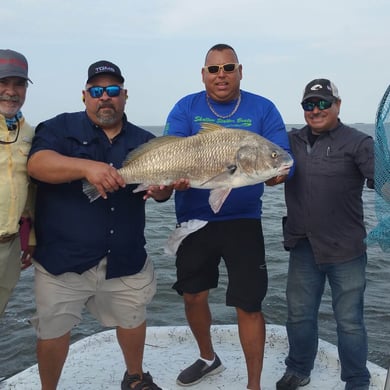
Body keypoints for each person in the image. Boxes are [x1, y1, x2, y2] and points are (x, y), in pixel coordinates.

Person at [27, 60, 172, 390]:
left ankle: (135, 378)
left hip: (125, 257)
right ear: (84, 96)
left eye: (112, 91)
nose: (104, 97)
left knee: (133, 318)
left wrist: (162, 189)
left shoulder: (146, 141)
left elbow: (160, 192)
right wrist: (87, 168)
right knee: (52, 330)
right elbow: (38, 165)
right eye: (97, 91)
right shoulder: (57, 128)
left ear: (124, 95)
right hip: (63, 260)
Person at [164, 43, 293, 390]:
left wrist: (280, 173)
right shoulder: (185, 108)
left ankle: (253, 385)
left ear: (239, 70)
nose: (221, 75)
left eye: (228, 67)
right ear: (204, 74)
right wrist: (167, 180)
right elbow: (169, 152)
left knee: (249, 303)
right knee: (193, 295)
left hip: (243, 221)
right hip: (193, 219)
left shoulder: (263, 108)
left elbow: (283, 158)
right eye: (214, 69)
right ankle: (209, 358)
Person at [277, 79, 374, 390]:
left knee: (349, 321)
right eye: (309, 104)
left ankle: (357, 379)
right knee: (299, 315)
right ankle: (298, 367)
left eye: (323, 103)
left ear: (338, 105)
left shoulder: (359, 143)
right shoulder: (288, 141)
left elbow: (381, 180)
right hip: (303, 246)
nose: (316, 110)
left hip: (346, 250)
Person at [0, 49, 35, 316]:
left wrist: (30, 238)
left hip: (10, 248)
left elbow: (29, 191)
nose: (11, 91)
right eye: (2, 82)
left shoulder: (30, 134)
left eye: (19, 84)